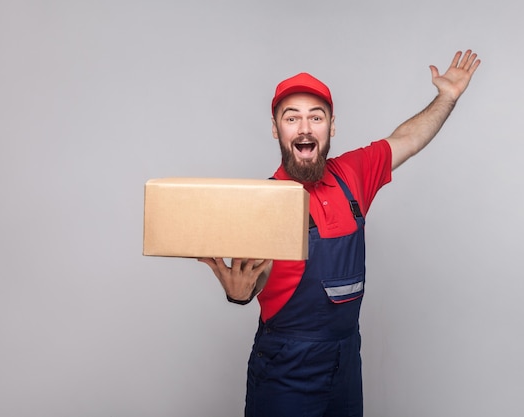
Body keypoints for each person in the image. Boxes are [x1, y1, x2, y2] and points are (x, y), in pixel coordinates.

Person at [199, 50, 481, 417]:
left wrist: (447, 96)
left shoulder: (353, 174)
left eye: (316, 117)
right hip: (287, 368)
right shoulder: (264, 204)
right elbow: (257, 276)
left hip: (346, 362)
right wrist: (242, 293)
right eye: (291, 118)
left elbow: (407, 139)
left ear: (331, 127)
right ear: (276, 129)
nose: (304, 128)